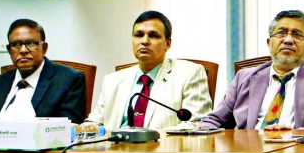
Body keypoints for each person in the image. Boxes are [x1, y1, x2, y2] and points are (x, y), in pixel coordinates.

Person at [200, 10, 304, 130]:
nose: (288, 40)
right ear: (269, 43)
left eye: (297, 34)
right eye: (281, 33)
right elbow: (214, 119)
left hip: (299, 152)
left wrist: (298, 134)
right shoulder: (244, 77)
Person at [82, 11, 212, 131]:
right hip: (115, 152)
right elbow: (95, 123)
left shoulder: (190, 73)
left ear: (168, 44)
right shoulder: (112, 80)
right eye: (138, 35)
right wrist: (76, 129)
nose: (144, 41)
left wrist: (148, 138)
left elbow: (197, 124)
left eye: (153, 36)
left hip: (162, 152)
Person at [0, 19, 86, 123]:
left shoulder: (69, 80)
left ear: (44, 48)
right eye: (16, 45)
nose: (23, 50)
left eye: (30, 43)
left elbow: (67, 130)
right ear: (9, 50)